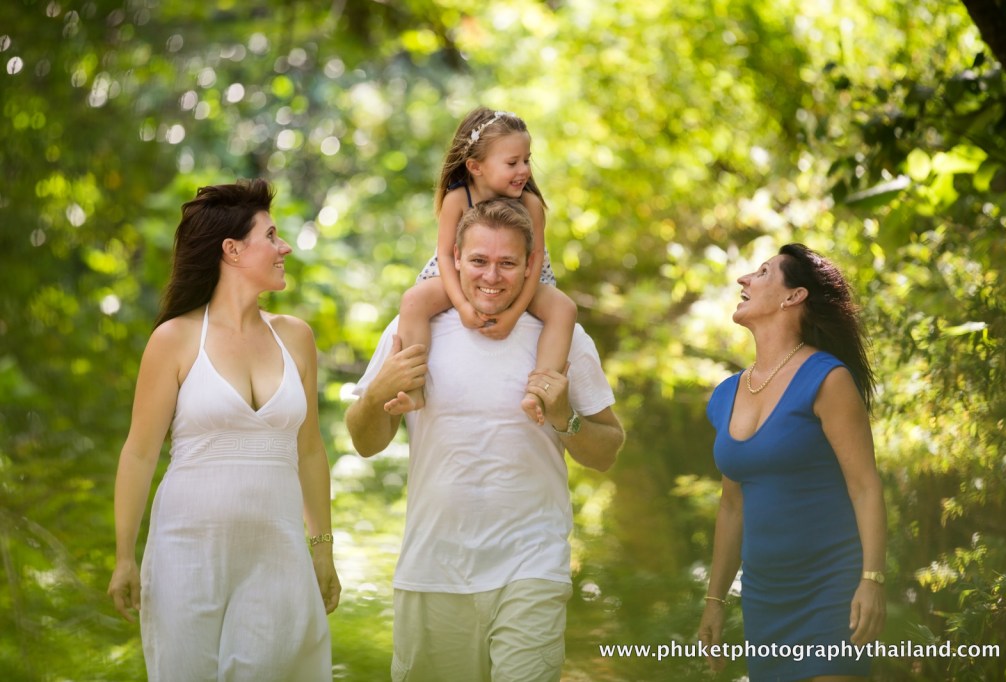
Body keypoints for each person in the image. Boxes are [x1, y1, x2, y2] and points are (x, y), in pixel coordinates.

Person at [346, 197, 625, 682]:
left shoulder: (564, 339)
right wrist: (376, 394)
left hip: (531, 567)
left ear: (529, 267)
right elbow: (365, 441)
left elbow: (608, 450)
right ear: (455, 260)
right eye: (478, 261)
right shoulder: (412, 331)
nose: (491, 277)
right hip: (432, 570)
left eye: (506, 263)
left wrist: (565, 418)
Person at [107, 179, 340, 680]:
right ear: (232, 250)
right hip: (186, 556)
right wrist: (124, 556)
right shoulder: (175, 339)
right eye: (272, 235)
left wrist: (323, 548)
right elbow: (140, 453)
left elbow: (310, 452)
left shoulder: (295, 338)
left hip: (277, 555)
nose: (285, 247)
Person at [697, 244, 887, 681]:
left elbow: (865, 486)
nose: (744, 280)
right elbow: (732, 506)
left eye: (762, 273)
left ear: (793, 296)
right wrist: (715, 600)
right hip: (764, 599)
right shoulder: (726, 393)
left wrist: (872, 579)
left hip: (829, 590)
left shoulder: (828, 378)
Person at [388, 107, 578, 424]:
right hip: (460, 276)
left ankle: (540, 391)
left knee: (565, 310)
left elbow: (534, 261)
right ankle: (415, 387)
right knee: (413, 300)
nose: (525, 170)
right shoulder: (458, 199)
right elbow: (447, 256)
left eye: (527, 160)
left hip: (523, 277)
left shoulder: (530, 204)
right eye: (512, 163)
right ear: (476, 166)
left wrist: (513, 313)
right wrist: (462, 305)